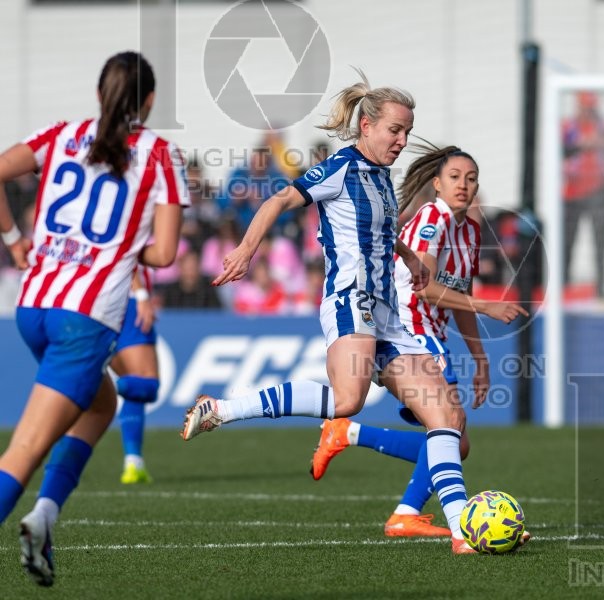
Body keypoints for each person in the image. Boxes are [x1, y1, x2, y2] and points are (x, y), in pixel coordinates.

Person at [181, 71, 479, 554]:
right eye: (394, 131)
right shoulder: (340, 167)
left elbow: (383, 235)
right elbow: (280, 199)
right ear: (367, 127)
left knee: (447, 415)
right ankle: (221, 410)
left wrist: (408, 261)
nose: (401, 141)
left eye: (406, 132)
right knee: (347, 402)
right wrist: (246, 249)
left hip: (387, 314)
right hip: (350, 300)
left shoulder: (381, 178)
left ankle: (463, 531)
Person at [0, 51, 187, 586]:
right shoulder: (158, 152)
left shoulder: (61, 134)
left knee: (101, 402)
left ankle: (44, 516)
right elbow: (166, 252)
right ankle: (38, 511)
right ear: (148, 101)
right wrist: (121, 248)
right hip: (84, 318)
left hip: (33, 306)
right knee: (26, 449)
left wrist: (15, 240)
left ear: (99, 92)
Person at [308, 145, 528, 538]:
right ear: (437, 184)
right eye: (455, 177)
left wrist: (480, 359)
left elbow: (458, 296)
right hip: (408, 327)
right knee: (451, 431)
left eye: (471, 178)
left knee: (454, 442)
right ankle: (416, 515)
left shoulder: (470, 231)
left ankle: (351, 437)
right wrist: (487, 307)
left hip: (433, 331)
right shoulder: (432, 217)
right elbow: (426, 289)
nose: (464, 184)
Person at [561, 92, 604, 296]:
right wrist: (580, 145)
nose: (587, 111)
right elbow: (558, 151)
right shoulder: (567, 127)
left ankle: (601, 289)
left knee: (600, 243)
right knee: (567, 242)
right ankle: (565, 287)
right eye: (584, 106)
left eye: (590, 107)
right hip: (572, 192)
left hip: (598, 191)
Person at [113, 267, 161, 484]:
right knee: (145, 383)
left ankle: (134, 462)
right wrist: (141, 295)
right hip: (128, 303)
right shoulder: (142, 232)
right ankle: (95, 384)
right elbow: (128, 251)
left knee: (135, 389)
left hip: (97, 303)